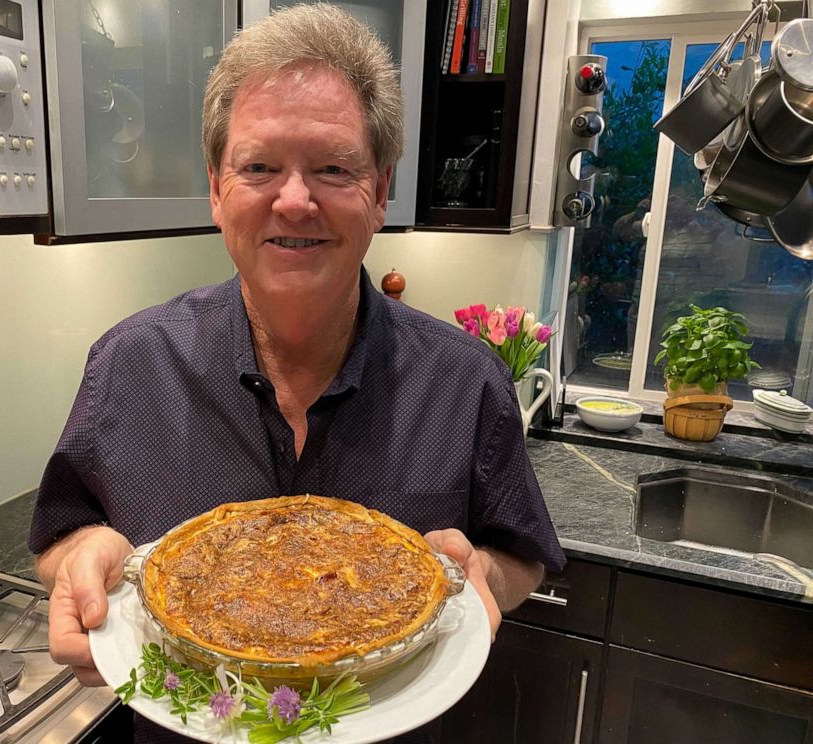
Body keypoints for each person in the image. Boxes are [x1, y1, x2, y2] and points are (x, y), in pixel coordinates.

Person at [30, 5, 565, 742]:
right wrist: (82, 558)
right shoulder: (130, 366)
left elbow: (523, 557)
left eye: (333, 169)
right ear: (217, 189)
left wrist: (484, 580)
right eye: (258, 167)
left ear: (379, 192)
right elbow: (60, 534)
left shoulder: (465, 382)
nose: (294, 199)